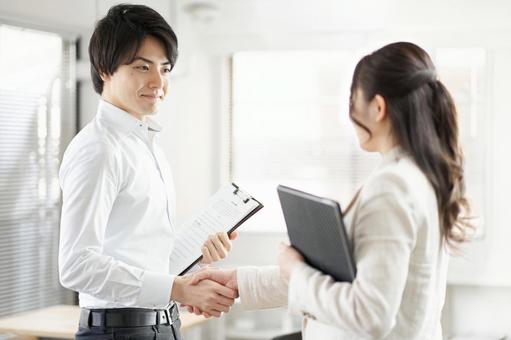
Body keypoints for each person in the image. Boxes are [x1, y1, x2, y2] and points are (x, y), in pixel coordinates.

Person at [188, 42, 472, 339]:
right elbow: (343, 280)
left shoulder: (392, 187)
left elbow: (370, 313)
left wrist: (296, 269)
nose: (349, 115)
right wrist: (237, 282)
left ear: (377, 107)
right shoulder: (421, 176)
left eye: (352, 101)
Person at [58, 4, 237, 340]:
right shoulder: (98, 149)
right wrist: (177, 289)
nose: (158, 82)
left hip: (161, 323)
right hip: (119, 331)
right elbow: (76, 265)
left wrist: (196, 261)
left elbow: (142, 254)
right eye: (143, 67)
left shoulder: (145, 143)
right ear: (104, 69)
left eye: (165, 69)